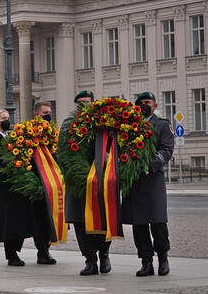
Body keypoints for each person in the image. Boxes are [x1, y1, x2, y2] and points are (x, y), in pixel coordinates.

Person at [122, 92, 174, 277]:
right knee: (139, 224)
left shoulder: (162, 125)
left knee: (158, 222)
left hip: (153, 180)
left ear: (155, 105)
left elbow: (166, 150)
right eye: (141, 102)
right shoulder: (129, 126)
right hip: (134, 181)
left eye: (148, 102)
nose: (144, 105)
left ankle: (163, 258)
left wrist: (148, 164)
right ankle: (146, 262)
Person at [61, 91, 112, 275]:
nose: (84, 105)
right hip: (77, 183)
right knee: (80, 223)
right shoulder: (68, 125)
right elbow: (63, 152)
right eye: (80, 103)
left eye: (87, 102)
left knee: (104, 220)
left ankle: (104, 254)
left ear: (94, 103)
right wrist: (77, 173)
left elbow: (114, 145)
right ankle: (90, 260)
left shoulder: (104, 123)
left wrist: (108, 158)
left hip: (101, 180)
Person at [0, 110, 37, 265]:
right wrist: (10, 169)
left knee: (20, 219)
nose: (6, 121)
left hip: (18, 185)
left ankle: (16, 249)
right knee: (8, 220)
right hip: (5, 187)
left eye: (8, 118)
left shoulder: (13, 138)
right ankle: (11, 254)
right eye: (3, 118)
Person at [29, 101, 58, 265]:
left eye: (49, 112)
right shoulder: (27, 132)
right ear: (36, 115)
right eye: (45, 112)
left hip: (53, 182)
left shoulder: (53, 133)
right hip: (37, 182)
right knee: (39, 219)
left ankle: (47, 248)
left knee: (51, 218)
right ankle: (42, 251)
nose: (48, 115)